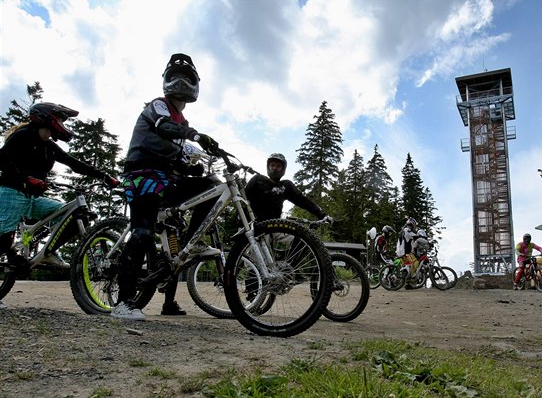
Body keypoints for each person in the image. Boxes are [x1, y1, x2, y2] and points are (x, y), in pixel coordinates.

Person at [113, 53, 220, 321]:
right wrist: (194, 135)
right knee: (142, 234)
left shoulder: (180, 122)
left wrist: (191, 167)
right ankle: (123, 302)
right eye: (176, 77)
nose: (182, 82)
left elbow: (176, 153)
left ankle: (190, 244)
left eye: (188, 78)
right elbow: (163, 128)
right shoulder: (159, 106)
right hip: (142, 176)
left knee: (211, 186)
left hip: (165, 181)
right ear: (166, 81)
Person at [0, 102, 119, 309]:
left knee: (71, 216)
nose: (63, 124)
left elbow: (74, 164)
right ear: (46, 118)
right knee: (2, 241)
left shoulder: (50, 146)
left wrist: (104, 176)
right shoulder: (23, 135)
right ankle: (9, 253)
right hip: (11, 191)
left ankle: (48, 252)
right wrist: (25, 178)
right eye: (61, 119)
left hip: (33, 199)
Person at [245, 153, 330, 222]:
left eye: (278, 166)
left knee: (299, 239)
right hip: (252, 226)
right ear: (268, 167)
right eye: (272, 165)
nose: (274, 168)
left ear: (283, 169)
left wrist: (321, 214)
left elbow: (303, 200)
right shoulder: (257, 179)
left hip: (273, 227)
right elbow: (243, 198)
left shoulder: (286, 186)